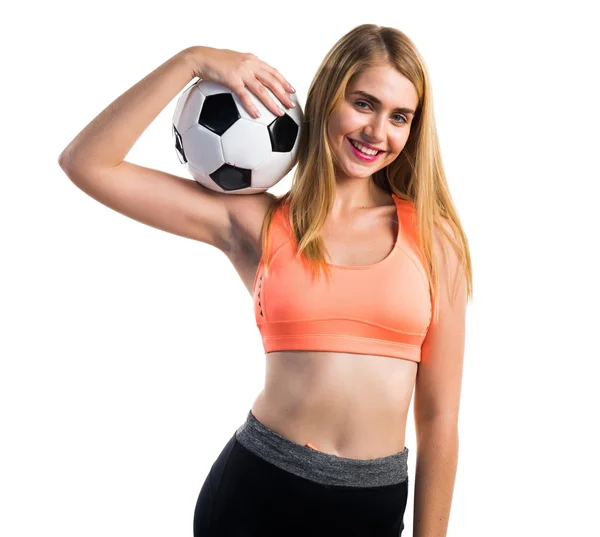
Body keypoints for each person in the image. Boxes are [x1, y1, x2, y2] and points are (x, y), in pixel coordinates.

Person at [58, 23, 472, 537]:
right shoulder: (258, 221)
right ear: (327, 98)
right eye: (364, 104)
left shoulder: (435, 239)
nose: (377, 132)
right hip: (256, 495)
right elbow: (87, 163)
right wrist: (191, 60)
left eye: (399, 117)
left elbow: (439, 422)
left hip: (372, 508)